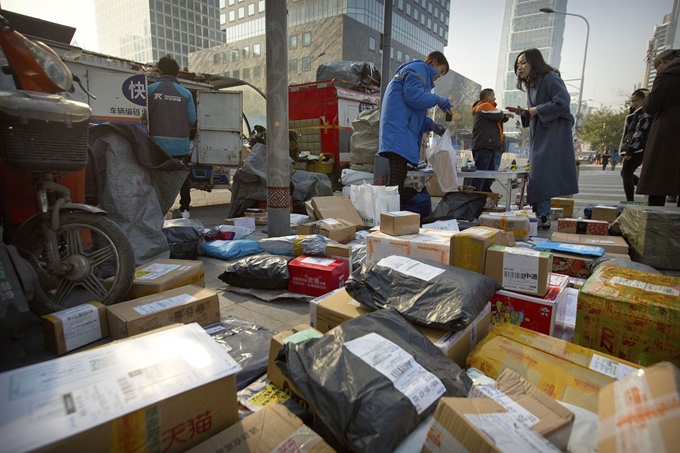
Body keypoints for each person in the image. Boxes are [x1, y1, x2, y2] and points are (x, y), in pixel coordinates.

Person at [510, 48, 578, 229]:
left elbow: (562, 101)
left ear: (535, 62)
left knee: (541, 173)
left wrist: (536, 110)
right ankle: (542, 213)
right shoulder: (532, 84)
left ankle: (543, 213)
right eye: (518, 65)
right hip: (540, 132)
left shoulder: (550, 78)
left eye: (523, 63)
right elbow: (534, 111)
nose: (520, 68)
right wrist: (525, 113)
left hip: (553, 132)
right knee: (539, 173)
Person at [379, 51, 452, 205]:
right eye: (440, 71)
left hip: (399, 131)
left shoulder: (418, 74)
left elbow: (411, 112)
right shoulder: (417, 69)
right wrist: (438, 99)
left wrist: (430, 124)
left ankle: (393, 216)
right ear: (433, 62)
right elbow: (414, 98)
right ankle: (391, 218)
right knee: (395, 182)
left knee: (398, 178)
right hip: (399, 133)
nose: (439, 76)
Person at [148, 55, 197, 218]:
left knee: (157, 177)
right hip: (180, 146)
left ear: (160, 70)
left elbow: (143, 117)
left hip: (156, 145)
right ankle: (185, 209)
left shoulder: (150, 90)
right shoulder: (186, 93)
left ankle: (157, 210)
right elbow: (192, 119)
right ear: (177, 73)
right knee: (182, 176)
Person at [637, 49, 680, 206]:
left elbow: (651, 105)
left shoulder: (666, 74)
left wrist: (649, 98)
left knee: (658, 176)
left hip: (668, 128)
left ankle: (654, 221)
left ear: (662, 62)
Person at [470, 88, 513, 192]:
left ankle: (484, 197)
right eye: (493, 95)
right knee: (481, 176)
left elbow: (497, 117)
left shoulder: (487, 109)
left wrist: (504, 117)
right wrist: (504, 114)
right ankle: (474, 198)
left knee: (488, 175)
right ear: (487, 97)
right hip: (484, 146)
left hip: (489, 146)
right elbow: (498, 114)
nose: (495, 98)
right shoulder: (484, 106)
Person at [618, 89, 652, 202]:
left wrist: (630, 151)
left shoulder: (645, 114)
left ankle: (631, 199)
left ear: (644, 100)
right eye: (632, 101)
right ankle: (645, 188)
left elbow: (639, 133)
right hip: (636, 148)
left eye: (636, 101)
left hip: (637, 149)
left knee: (626, 173)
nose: (633, 104)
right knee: (626, 173)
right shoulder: (637, 113)